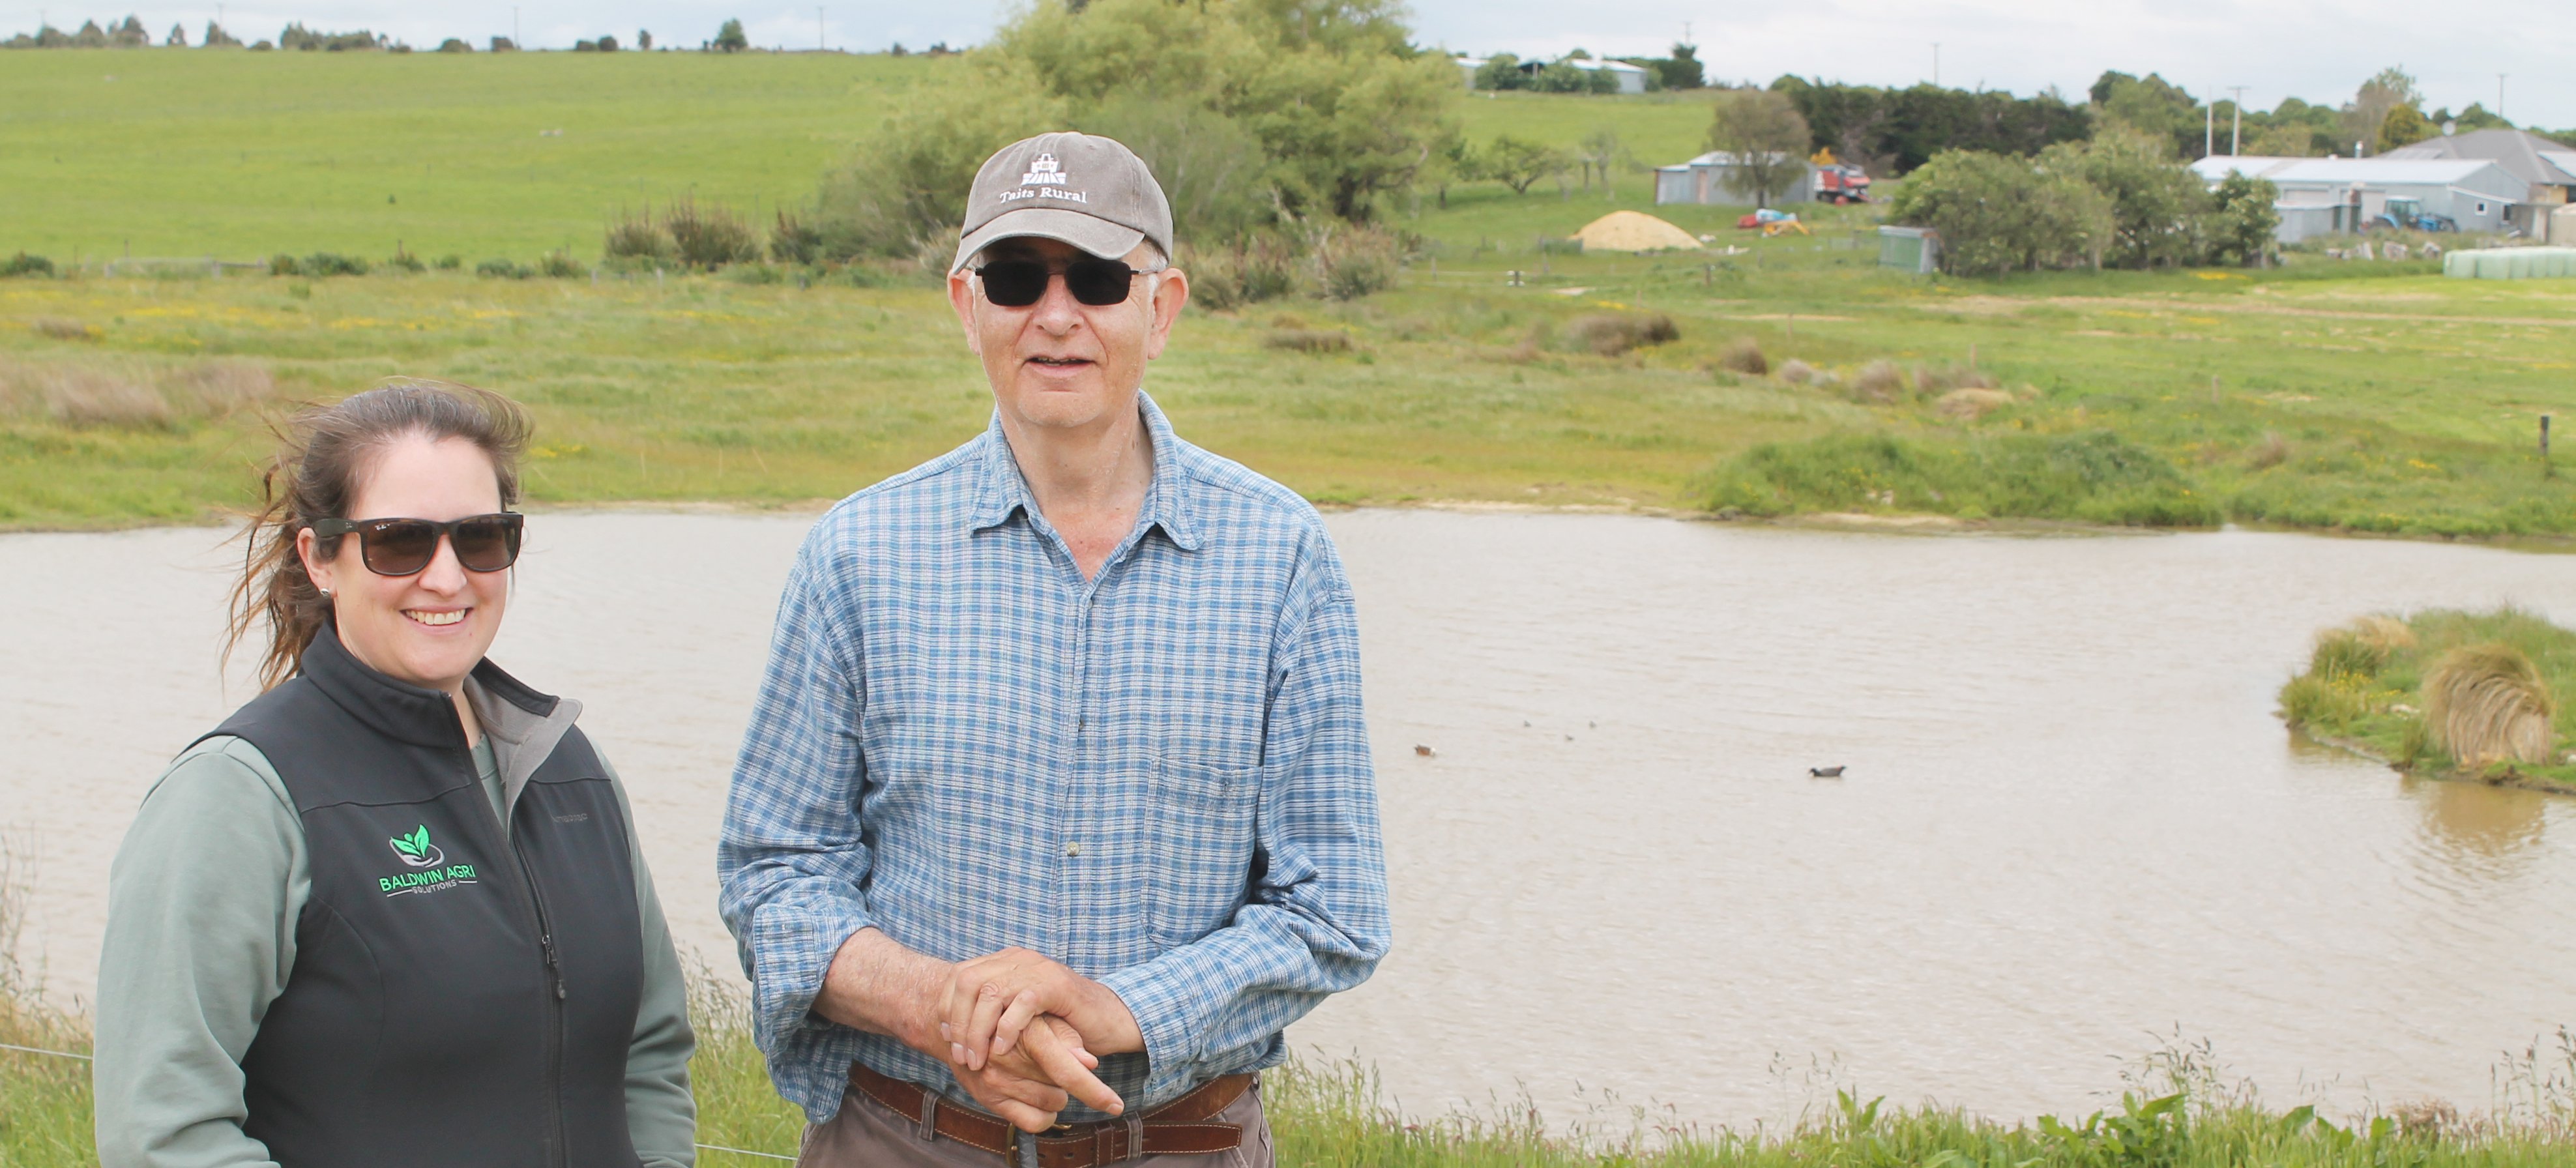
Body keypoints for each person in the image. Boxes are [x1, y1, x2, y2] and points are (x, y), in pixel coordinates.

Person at [718, 132, 1391, 1168]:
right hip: (903, 1139)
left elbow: (1333, 908)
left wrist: (1119, 1009)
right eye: (1017, 277)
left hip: (1181, 1146)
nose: (1058, 313)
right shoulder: (858, 553)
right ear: (967, 304)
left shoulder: (1282, 557)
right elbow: (774, 872)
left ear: (1161, 308)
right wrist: (945, 1008)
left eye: (1100, 279)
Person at [92, 381, 696, 1168]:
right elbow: (162, 1132)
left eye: (481, 537)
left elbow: (649, 1050)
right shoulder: (237, 795)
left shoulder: (569, 769)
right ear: (320, 558)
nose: (447, 577)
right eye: (400, 541)